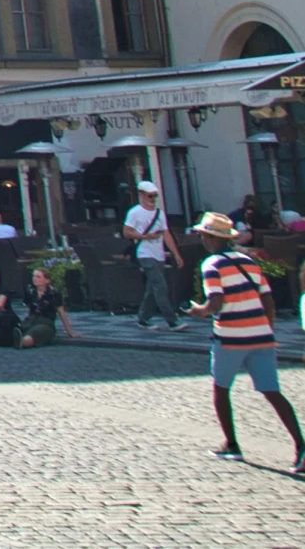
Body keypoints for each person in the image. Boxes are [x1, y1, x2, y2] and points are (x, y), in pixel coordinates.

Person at [183, 212, 303, 472]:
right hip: (261, 336)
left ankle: (232, 445)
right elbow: (268, 300)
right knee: (272, 391)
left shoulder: (211, 265)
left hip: (229, 336)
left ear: (211, 238)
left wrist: (197, 311)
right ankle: (301, 446)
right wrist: (267, 330)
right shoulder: (249, 262)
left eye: (203, 234)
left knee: (221, 389)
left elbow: (215, 304)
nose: (202, 238)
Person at [124, 180, 185, 331]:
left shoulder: (159, 214)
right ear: (141, 195)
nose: (152, 199)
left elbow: (166, 234)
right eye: (150, 196)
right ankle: (172, 321)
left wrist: (175, 253)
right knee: (160, 286)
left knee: (152, 288)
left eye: (154, 196)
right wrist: (145, 237)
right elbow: (126, 232)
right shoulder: (135, 212)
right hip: (145, 253)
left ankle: (143, 318)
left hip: (158, 254)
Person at [19, 267, 77, 349]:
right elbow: (29, 309)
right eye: (34, 276)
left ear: (47, 280)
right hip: (32, 320)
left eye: (38, 277)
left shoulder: (53, 293)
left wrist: (70, 332)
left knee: (31, 336)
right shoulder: (30, 290)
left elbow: (61, 313)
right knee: (21, 327)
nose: (34, 279)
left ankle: (22, 341)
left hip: (46, 323)